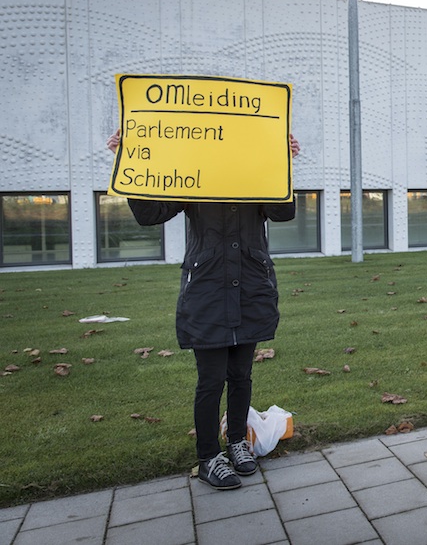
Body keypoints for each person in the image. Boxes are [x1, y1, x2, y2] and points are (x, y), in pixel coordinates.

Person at [107, 129, 301, 490]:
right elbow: (149, 213)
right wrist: (128, 159)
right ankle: (209, 456)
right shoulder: (193, 177)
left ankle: (238, 442)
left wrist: (282, 162)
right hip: (208, 290)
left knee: (241, 375)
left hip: (250, 287)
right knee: (211, 380)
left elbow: (283, 211)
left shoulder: (257, 176)